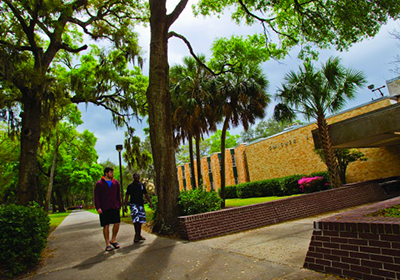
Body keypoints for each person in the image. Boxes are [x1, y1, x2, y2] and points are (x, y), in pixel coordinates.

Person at [94, 167, 121, 251]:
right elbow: (96, 197)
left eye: (112, 172)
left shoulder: (116, 182)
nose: (112, 174)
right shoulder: (99, 184)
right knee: (106, 225)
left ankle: (113, 239)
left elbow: (118, 195)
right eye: (110, 172)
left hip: (114, 206)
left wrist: (119, 205)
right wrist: (98, 207)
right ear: (106, 173)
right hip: (104, 207)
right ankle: (107, 243)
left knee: (116, 223)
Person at [124, 173, 153, 243]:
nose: (137, 178)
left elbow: (146, 194)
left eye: (138, 177)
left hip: (140, 204)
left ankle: (139, 235)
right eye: (135, 177)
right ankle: (136, 235)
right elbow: (127, 195)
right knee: (136, 220)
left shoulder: (142, 185)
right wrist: (125, 205)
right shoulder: (130, 186)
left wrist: (150, 202)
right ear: (133, 177)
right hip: (133, 204)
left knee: (140, 220)